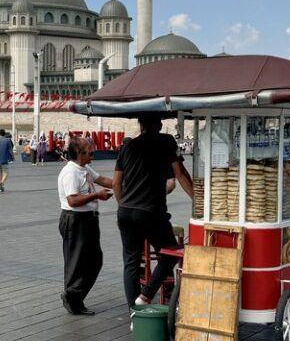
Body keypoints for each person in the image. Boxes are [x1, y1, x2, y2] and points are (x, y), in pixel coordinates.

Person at [113, 113, 196, 307]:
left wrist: (123, 203)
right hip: (151, 212)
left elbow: (116, 183)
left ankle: (134, 312)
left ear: (140, 124)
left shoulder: (128, 146)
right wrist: (198, 200)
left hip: (126, 211)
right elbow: (180, 173)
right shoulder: (166, 141)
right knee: (170, 254)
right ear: (159, 124)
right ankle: (145, 296)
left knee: (131, 262)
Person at [57, 139, 113, 316]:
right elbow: (72, 200)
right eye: (90, 152)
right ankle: (73, 298)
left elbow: (102, 179)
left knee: (94, 260)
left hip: (87, 219)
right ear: (79, 154)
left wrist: (121, 183)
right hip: (76, 220)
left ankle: (74, 296)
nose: (92, 154)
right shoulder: (70, 173)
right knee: (76, 261)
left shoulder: (84, 168)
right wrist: (96, 194)